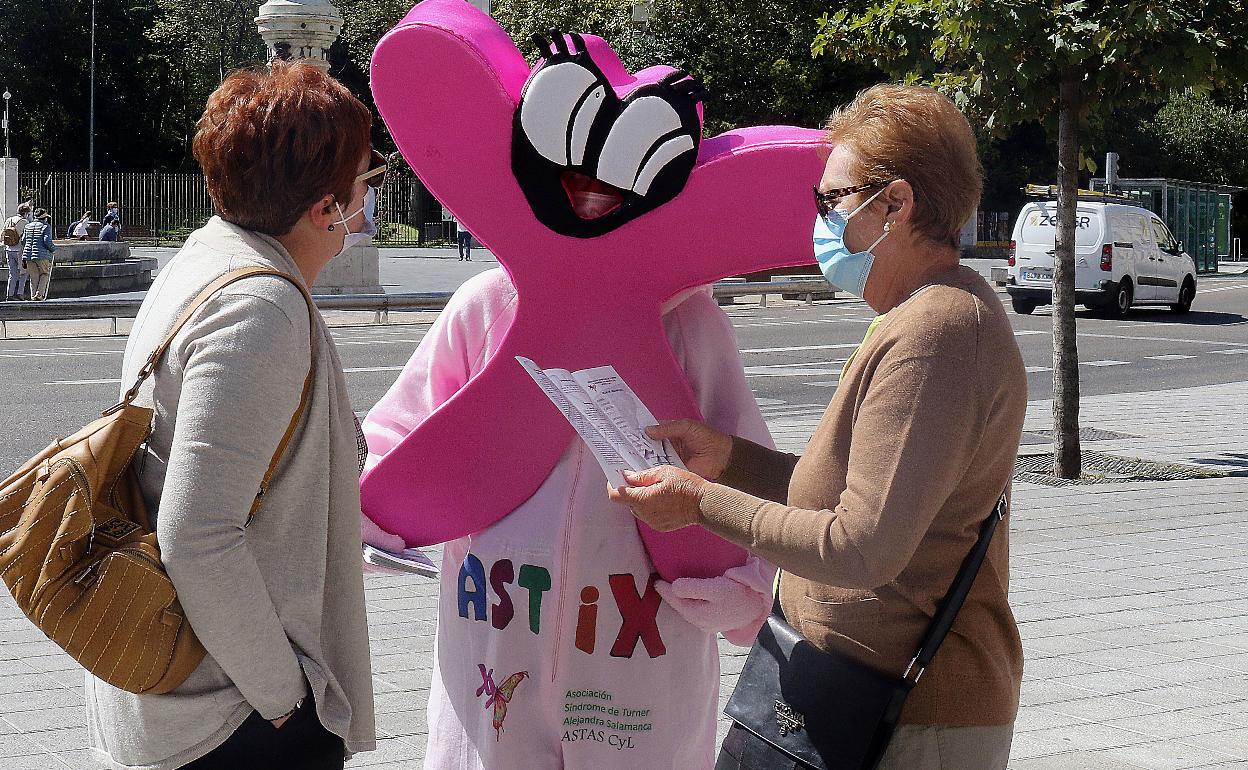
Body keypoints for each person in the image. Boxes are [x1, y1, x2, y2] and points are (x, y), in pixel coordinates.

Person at [611, 85, 1028, 770]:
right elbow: (859, 496)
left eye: (831, 200)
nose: (821, 218)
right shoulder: (924, 313)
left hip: (905, 722)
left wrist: (698, 503)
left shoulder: (938, 331)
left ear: (895, 204)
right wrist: (729, 459)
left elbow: (858, 548)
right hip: (851, 700)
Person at [86, 61, 380, 770]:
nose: (372, 204)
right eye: (368, 183)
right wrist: (285, 697)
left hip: (187, 688)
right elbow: (199, 532)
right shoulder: (259, 308)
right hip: (230, 717)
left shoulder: (205, 258)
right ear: (326, 209)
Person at [362, 270, 777, 770]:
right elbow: (399, 434)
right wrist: (375, 506)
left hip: (641, 642)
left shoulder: (691, 326)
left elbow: (745, 469)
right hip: (496, 625)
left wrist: (740, 580)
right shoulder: (488, 306)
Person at [19, 208, 55, 301]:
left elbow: (23, 241)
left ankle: (33, 296)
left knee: (33, 277)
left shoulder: (28, 226)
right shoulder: (46, 226)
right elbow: (47, 241)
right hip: (41, 255)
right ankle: (39, 295)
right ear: (44, 218)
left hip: (28, 255)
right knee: (45, 274)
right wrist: (53, 249)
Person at [3, 203, 31, 299]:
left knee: (12, 273)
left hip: (8, 249)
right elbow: (25, 239)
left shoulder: (9, 220)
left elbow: (2, 235)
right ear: (26, 213)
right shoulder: (25, 222)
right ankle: (20, 293)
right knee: (24, 272)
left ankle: (9, 294)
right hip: (19, 250)